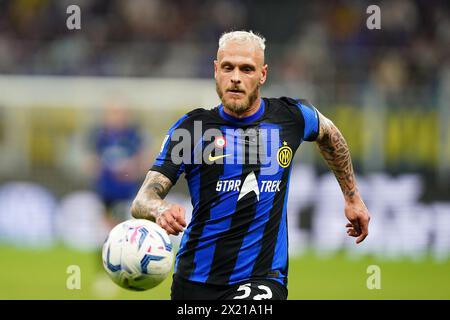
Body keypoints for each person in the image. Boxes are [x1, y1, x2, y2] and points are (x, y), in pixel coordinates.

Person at [131, 31, 370, 300]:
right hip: (194, 282)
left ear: (263, 75)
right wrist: (159, 208)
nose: (235, 77)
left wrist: (352, 197)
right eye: (227, 67)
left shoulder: (290, 117)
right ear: (215, 70)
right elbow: (142, 199)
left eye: (246, 69)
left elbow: (330, 135)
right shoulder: (192, 129)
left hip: (263, 279)